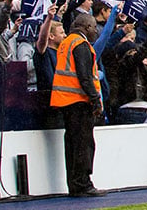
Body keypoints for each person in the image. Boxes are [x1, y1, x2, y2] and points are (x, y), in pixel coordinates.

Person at [51, 14, 105, 197]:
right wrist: (95, 100)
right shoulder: (80, 45)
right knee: (84, 144)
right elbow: (85, 77)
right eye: (94, 27)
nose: (96, 32)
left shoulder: (67, 42)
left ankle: (75, 184)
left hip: (66, 100)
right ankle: (83, 184)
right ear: (87, 27)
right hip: (79, 101)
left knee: (73, 145)